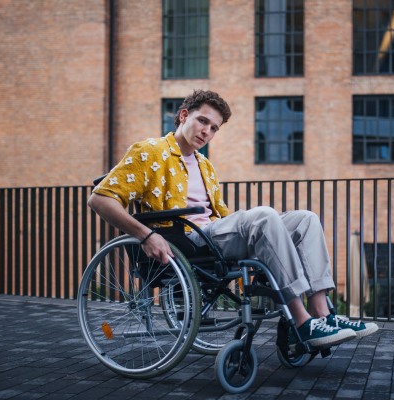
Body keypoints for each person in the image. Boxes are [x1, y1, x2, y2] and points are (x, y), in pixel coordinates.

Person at [88, 89, 378, 349]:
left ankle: (322, 315)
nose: (207, 132)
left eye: (214, 128)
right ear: (184, 115)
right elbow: (99, 199)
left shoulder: (205, 166)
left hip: (213, 235)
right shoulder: (150, 151)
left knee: (305, 219)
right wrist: (146, 235)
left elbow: (222, 217)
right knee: (263, 216)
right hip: (185, 239)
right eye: (203, 121)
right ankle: (301, 324)